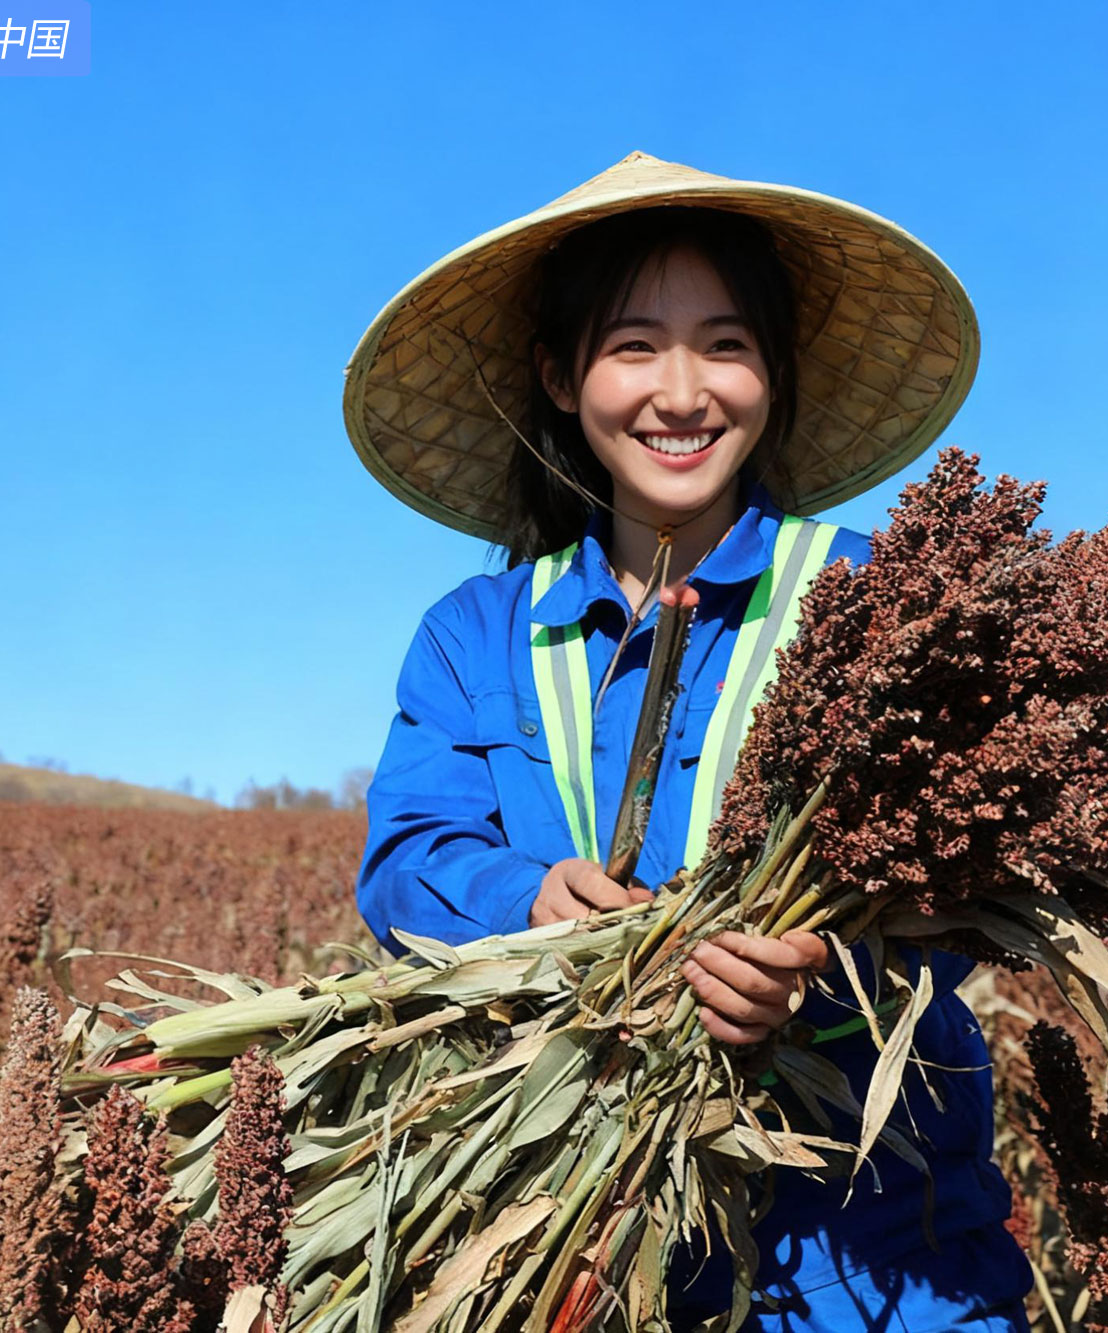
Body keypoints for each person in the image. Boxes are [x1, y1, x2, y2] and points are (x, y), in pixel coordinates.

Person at [344, 151, 1034, 1331]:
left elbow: (970, 881)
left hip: (875, 1247)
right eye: (630, 347)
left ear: (770, 374)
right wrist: (525, 901)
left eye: (723, 344)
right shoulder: (475, 637)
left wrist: (824, 963)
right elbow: (407, 857)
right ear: (559, 378)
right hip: (584, 1243)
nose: (679, 393)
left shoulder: (871, 599)